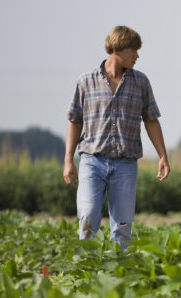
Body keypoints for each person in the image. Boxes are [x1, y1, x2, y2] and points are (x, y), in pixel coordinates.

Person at [63, 25, 170, 249]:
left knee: (122, 225)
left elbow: (151, 119)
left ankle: (119, 274)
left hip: (125, 163)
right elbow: (75, 121)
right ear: (118, 50)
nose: (137, 56)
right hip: (92, 160)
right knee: (88, 216)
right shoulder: (86, 81)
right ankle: (87, 270)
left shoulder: (141, 82)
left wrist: (162, 155)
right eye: (134, 50)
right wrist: (68, 161)